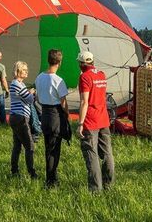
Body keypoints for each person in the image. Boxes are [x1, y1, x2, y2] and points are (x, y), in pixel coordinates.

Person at [76, 50, 114, 192]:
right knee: (107, 153)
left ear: (81, 64)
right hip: (104, 119)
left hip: (91, 121)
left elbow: (84, 102)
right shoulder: (101, 74)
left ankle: (95, 190)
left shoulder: (85, 77)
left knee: (92, 154)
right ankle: (108, 184)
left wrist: (80, 123)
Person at [34, 48, 70, 188]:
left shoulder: (39, 77)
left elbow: (37, 96)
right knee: (55, 149)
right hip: (56, 115)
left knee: (48, 147)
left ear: (48, 60)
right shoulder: (58, 80)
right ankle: (51, 180)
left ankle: (51, 177)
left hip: (45, 114)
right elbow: (64, 102)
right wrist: (66, 114)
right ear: (59, 62)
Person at [8, 61, 38, 179]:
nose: (27, 72)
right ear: (18, 71)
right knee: (29, 146)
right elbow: (30, 100)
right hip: (21, 118)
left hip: (15, 117)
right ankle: (32, 173)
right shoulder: (18, 84)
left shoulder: (17, 84)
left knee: (17, 146)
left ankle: (14, 171)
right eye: (24, 70)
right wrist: (31, 92)